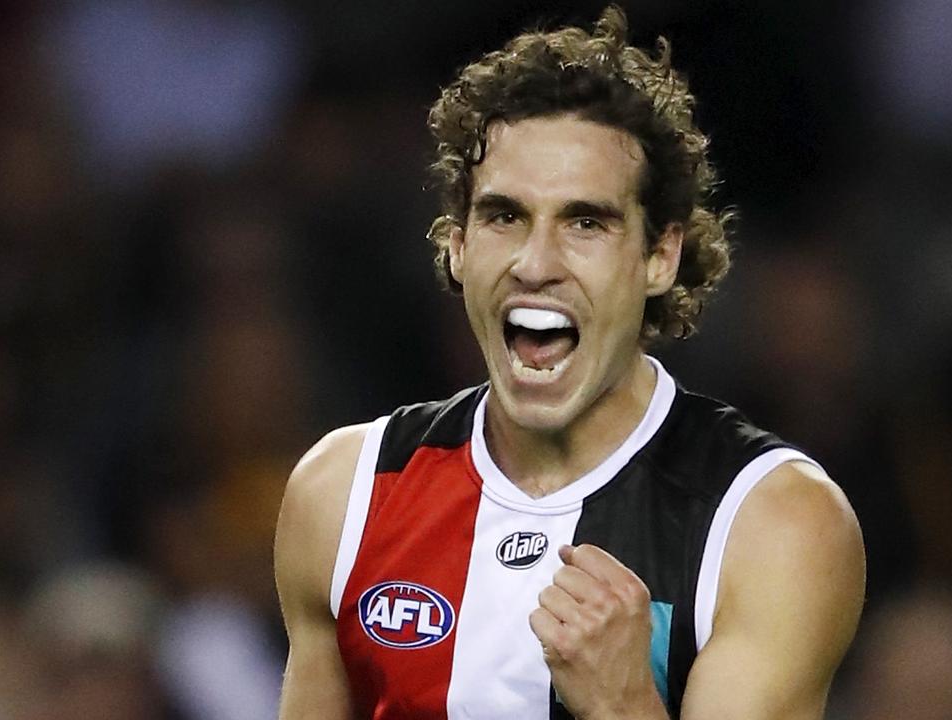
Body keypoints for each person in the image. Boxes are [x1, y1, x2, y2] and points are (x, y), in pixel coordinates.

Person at [274, 7, 864, 719]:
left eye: (585, 221)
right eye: (504, 216)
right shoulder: (343, 497)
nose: (536, 263)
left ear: (660, 256)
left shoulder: (772, 523)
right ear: (458, 246)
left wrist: (621, 706)